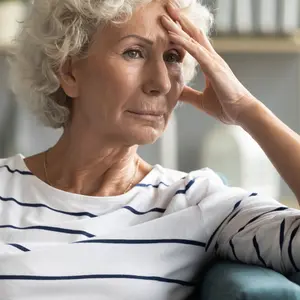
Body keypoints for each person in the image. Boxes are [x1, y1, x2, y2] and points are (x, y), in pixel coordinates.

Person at [1, 0, 299, 299]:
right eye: (134, 52)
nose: (160, 83)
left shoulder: (194, 202)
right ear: (69, 73)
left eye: (172, 57)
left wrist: (247, 110)